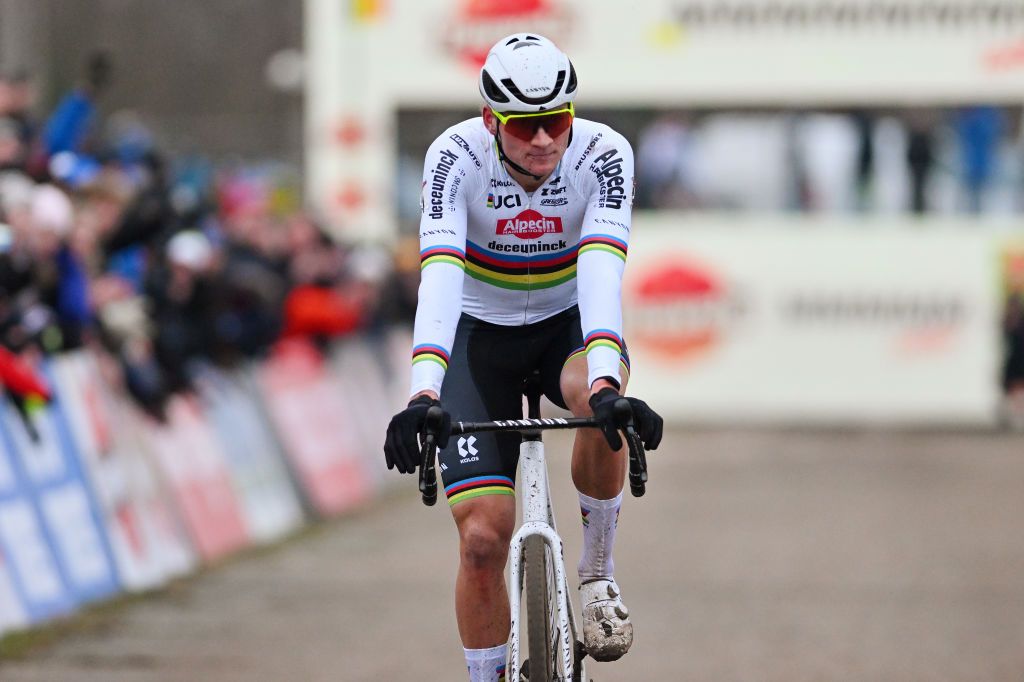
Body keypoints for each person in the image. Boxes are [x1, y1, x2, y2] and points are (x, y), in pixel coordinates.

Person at [382, 33, 663, 682]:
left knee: (600, 398)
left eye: (557, 121)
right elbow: (442, 277)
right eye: (526, 126)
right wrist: (423, 394)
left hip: (566, 327)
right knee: (482, 540)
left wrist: (603, 381)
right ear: (491, 121)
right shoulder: (455, 156)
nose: (544, 140)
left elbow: (600, 271)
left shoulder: (602, 154)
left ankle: (596, 573)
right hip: (480, 340)